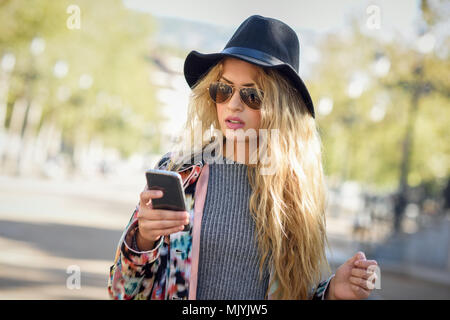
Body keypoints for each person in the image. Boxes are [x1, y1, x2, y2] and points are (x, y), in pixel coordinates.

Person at [108, 15, 378, 300]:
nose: (233, 104)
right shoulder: (179, 173)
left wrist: (332, 292)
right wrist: (142, 240)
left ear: (281, 105)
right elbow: (122, 293)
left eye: (252, 95)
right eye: (223, 89)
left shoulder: (296, 195)